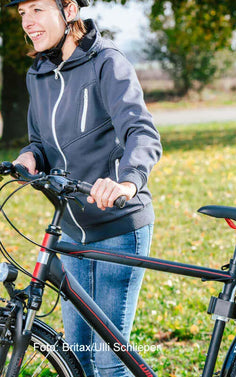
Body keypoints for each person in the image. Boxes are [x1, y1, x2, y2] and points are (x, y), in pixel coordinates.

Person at [8, 0, 162, 375]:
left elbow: (140, 131)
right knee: (78, 355)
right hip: (72, 229)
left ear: (70, 10)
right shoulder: (38, 74)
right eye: (22, 13)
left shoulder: (106, 62)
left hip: (118, 224)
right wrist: (29, 158)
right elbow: (40, 143)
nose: (28, 22)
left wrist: (127, 180)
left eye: (37, 9)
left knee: (109, 362)